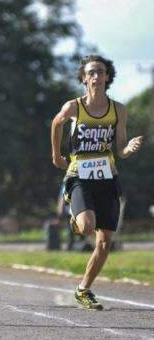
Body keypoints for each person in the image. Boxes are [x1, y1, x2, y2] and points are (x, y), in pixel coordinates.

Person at [51, 55, 143, 310]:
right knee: (87, 226)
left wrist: (129, 148)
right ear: (83, 78)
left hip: (107, 176)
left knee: (104, 243)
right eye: (91, 72)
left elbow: (120, 149)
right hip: (78, 174)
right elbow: (56, 123)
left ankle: (84, 290)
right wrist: (56, 154)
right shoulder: (74, 107)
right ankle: (76, 217)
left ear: (107, 77)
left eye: (100, 72)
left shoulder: (118, 110)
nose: (96, 77)